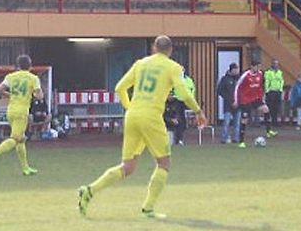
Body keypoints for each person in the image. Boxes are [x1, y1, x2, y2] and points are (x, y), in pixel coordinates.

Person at [78, 36, 206, 219]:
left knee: (127, 167)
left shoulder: (140, 64)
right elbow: (183, 92)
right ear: (170, 50)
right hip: (151, 117)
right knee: (164, 163)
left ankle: (89, 190)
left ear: (154, 48)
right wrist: (198, 111)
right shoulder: (173, 67)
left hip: (132, 116)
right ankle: (148, 208)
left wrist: (130, 107)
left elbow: (119, 87)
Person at [0, 54, 43, 175]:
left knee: (21, 139)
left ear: (18, 66)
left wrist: (11, 95)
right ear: (30, 65)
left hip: (11, 110)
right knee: (15, 139)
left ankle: (25, 168)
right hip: (22, 112)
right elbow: (39, 95)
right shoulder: (33, 78)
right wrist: (35, 94)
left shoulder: (11, 76)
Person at [233, 60, 270, 148]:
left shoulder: (260, 74)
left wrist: (262, 98)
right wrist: (235, 100)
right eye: (257, 66)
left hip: (255, 99)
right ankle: (241, 141)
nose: (258, 68)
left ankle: (269, 131)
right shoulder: (246, 75)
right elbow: (237, 87)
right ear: (252, 66)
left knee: (266, 109)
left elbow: (260, 87)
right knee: (244, 120)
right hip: (245, 100)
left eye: (259, 66)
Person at [166, 69, 196, 146]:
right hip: (177, 101)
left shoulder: (189, 80)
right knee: (178, 119)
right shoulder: (174, 80)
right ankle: (177, 139)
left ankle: (180, 138)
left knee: (181, 120)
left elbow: (192, 90)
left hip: (186, 101)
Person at [216, 63, 241, 144]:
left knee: (237, 123)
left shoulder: (239, 79)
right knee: (226, 122)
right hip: (228, 105)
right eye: (236, 69)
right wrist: (230, 100)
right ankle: (224, 138)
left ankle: (236, 138)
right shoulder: (225, 79)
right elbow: (220, 91)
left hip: (238, 104)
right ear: (232, 70)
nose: (237, 71)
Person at [263, 59, 285, 136]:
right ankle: (268, 122)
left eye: (277, 64)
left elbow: (281, 81)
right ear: (272, 64)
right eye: (275, 64)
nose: (276, 65)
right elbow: (267, 81)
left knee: (276, 107)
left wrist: (281, 89)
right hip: (271, 91)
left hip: (277, 91)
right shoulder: (268, 72)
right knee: (269, 107)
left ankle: (275, 122)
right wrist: (267, 91)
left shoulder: (280, 72)